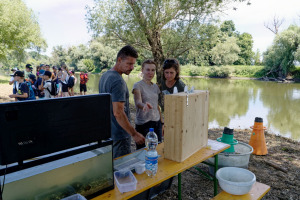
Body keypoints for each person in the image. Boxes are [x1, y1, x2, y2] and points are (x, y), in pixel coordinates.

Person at [99, 45, 145, 158]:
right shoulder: (117, 81)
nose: (132, 67)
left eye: (134, 64)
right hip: (120, 135)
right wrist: (134, 134)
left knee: (111, 167)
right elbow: (118, 112)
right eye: (129, 64)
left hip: (108, 133)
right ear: (119, 60)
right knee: (122, 169)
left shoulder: (105, 76)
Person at [132, 59, 163, 150]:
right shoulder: (137, 85)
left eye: (153, 70)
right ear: (142, 70)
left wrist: (162, 122)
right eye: (148, 70)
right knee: (142, 152)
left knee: (157, 151)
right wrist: (144, 106)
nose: (150, 73)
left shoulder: (156, 87)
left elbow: (157, 106)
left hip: (157, 123)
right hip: (143, 124)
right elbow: (138, 102)